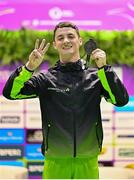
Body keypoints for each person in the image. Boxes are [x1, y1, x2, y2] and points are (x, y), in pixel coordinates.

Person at [2, 22, 129, 179]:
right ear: (55, 44)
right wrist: (29, 68)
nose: (66, 40)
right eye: (60, 38)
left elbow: (121, 100)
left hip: (87, 160)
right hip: (55, 160)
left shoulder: (96, 77)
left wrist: (104, 68)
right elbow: (10, 93)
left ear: (80, 41)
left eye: (70, 36)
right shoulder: (45, 79)